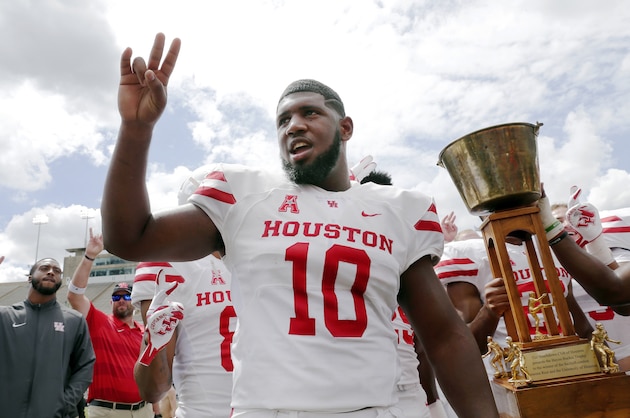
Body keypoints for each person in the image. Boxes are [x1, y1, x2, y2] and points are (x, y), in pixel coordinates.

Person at [101, 33, 499, 417]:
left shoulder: (397, 209)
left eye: (310, 112)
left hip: (381, 409)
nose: (293, 125)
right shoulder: (245, 196)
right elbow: (130, 237)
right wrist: (137, 130)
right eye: (283, 120)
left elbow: (445, 336)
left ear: (345, 127)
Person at [361, 170, 449, 418]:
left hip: (410, 396)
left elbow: (424, 346)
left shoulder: (407, 260)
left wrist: (432, 403)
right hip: (357, 396)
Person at [67, 229, 151, 417]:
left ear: (134, 300)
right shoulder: (100, 322)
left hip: (144, 410)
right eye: (117, 296)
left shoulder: (144, 330)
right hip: (107, 411)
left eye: (127, 295)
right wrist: (89, 256)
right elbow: (74, 295)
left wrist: (157, 410)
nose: (122, 299)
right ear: (111, 301)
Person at [0, 258, 95, 418]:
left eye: (57, 271)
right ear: (30, 277)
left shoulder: (74, 320)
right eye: (44, 268)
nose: (51, 272)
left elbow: (85, 366)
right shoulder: (5, 316)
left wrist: (64, 403)